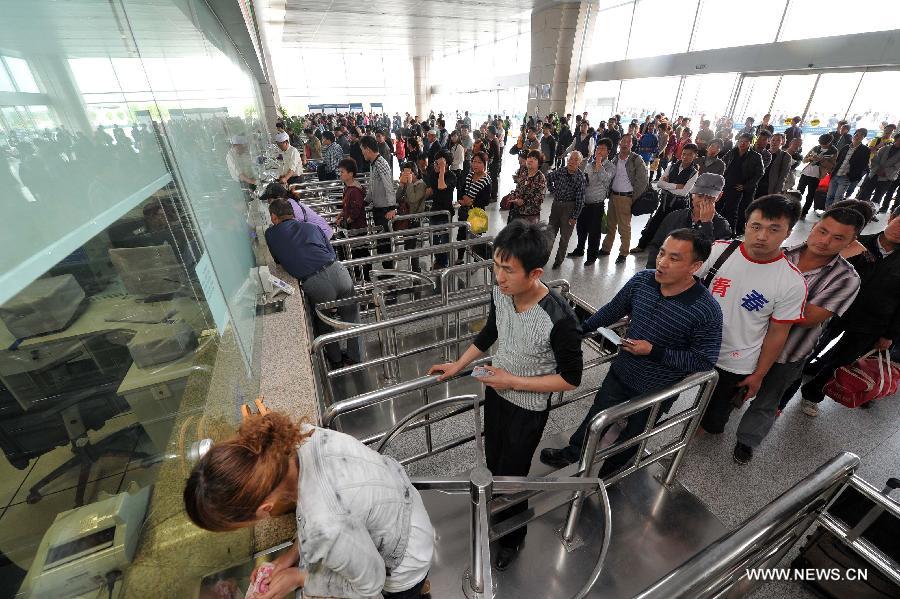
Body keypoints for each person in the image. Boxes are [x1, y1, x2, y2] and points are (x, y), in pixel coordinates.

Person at [427, 220, 583, 571]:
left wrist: (513, 380)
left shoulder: (559, 319)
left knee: (514, 474)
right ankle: (493, 500)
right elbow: (491, 331)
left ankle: (512, 535)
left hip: (527, 409)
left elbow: (571, 379)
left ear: (535, 272)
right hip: (496, 394)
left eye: (508, 270)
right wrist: (458, 365)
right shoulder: (501, 292)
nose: (499, 276)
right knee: (494, 459)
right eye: (496, 265)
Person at [183, 412, 432, 599]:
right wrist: (289, 556)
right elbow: (321, 509)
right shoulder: (296, 441)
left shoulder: (325, 525)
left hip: (405, 564)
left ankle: (418, 589)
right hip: (403, 506)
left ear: (265, 509)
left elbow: (370, 586)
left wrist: (299, 578)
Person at [540, 228, 722, 472]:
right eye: (662, 254)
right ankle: (573, 454)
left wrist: (654, 351)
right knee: (596, 418)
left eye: (674, 258)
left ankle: (611, 473)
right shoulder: (643, 281)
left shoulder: (706, 310)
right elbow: (612, 310)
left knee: (634, 435)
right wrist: (578, 332)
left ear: (695, 266)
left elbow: (703, 361)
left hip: (657, 390)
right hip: (621, 372)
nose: (662, 262)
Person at [732, 205, 862, 463]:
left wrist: (758, 302)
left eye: (838, 238)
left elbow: (809, 318)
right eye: (823, 231)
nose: (825, 241)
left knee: (768, 399)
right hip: (745, 341)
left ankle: (747, 441)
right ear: (814, 226)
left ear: (851, 243)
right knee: (732, 386)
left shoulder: (846, 278)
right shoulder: (779, 252)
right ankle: (718, 417)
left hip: (790, 351)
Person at [697, 195, 807, 435]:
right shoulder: (719, 251)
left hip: (736, 360)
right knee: (669, 396)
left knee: (714, 416)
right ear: (746, 224)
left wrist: (759, 374)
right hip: (694, 345)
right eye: (756, 226)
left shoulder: (791, 282)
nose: (762, 236)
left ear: (788, 233)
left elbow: (778, 333)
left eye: (774, 229)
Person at [799, 205, 900, 416]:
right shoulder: (857, 243)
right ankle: (788, 381)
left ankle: (813, 394)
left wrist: (889, 335)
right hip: (835, 310)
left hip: (873, 322)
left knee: (843, 360)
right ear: (891, 217)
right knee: (811, 346)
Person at [264, 199, 362, 367]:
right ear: (293, 213)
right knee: (352, 315)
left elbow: (278, 261)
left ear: (273, 217)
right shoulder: (312, 227)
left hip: (315, 282)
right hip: (338, 271)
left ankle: (336, 360)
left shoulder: (271, 234)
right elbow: (331, 252)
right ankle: (355, 356)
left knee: (324, 322)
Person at [645, 173, 731, 269]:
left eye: (709, 198)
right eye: (700, 196)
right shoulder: (674, 217)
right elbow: (656, 246)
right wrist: (651, 272)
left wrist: (707, 224)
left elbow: (711, 259)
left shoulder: (722, 226)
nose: (703, 201)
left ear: (719, 196)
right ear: (692, 194)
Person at [632, 143, 699, 254]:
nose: (685, 157)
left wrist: (668, 185)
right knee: (654, 223)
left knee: (675, 229)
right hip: (665, 201)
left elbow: (684, 192)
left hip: (679, 205)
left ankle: (668, 251)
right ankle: (642, 245)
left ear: (695, 156)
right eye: (684, 154)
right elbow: (659, 184)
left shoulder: (694, 173)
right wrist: (676, 186)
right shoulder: (671, 166)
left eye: (689, 155)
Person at [601, 134, 649, 264]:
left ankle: (623, 252)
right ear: (620, 143)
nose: (625, 144)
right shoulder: (615, 159)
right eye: (623, 141)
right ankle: (606, 248)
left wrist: (633, 198)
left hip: (626, 198)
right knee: (610, 225)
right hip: (613, 196)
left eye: (629, 142)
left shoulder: (636, 159)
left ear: (632, 145)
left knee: (624, 228)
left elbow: (643, 180)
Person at [569, 139, 615, 264]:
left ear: (608, 152)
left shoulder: (610, 166)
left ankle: (592, 257)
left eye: (602, 149)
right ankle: (579, 250)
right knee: (581, 228)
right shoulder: (589, 164)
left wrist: (599, 164)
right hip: (584, 203)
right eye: (597, 148)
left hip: (597, 205)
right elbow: (584, 180)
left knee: (594, 233)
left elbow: (605, 179)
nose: (599, 151)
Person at [360, 134, 396, 269]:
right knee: (381, 243)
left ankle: (389, 273)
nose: (362, 152)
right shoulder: (373, 164)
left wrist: (392, 207)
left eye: (362, 149)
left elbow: (389, 185)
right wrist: (365, 201)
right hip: (377, 209)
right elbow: (372, 187)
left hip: (385, 211)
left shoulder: (381, 163)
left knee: (385, 244)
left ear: (367, 149)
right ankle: (386, 272)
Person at [545, 150, 587, 268]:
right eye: (570, 159)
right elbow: (548, 177)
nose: (571, 161)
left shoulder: (580, 178)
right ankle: (544, 258)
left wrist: (574, 216)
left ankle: (558, 261)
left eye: (575, 160)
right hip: (556, 205)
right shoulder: (561, 171)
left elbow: (580, 200)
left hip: (569, 208)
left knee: (564, 238)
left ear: (579, 163)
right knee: (550, 233)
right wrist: (552, 190)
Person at [720, 132, 765, 235]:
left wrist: (746, 186)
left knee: (734, 211)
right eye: (741, 141)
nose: (742, 144)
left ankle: (732, 233)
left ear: (750, 143)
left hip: (739, 187)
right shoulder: (732, 152)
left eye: (745, 142)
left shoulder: (755, 156)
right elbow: (722, 164)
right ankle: (720, 228)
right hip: (726, 184)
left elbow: (759, 174)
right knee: (720, 207)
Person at [260, 182, 333, 241]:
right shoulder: (287, 202)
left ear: (278, 198)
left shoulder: (289, 208)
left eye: (269, 200)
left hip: (322, 234)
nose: (268, 202)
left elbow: (289, 231)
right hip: (317, 231)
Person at [423, 150, 457, 268]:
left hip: (446, 213)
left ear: (446, 164)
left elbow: (441, 186)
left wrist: (442, 169)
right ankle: (440, 261)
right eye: (435, 163)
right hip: (435, 211)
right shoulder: (433, 173)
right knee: (434, 240)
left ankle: (443, 263)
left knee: (445, 240)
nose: (435, 166)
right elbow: (431, 189)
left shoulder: (452, 176)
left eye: (438, 163)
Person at [457, 151, 492, 261]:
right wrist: (463, 200)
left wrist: (471, 202)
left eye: (479, 162)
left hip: (478, 214)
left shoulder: (487, 181)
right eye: (474, 162)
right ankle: (460, 258)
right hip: (464, 212)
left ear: (485, 164)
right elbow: (461, 190)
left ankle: (477, 261)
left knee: (475, 240)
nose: (475, 165)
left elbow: (485, 201)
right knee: (461, 237)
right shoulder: (469, 176)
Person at [824, 128, 870, 207]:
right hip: (836, 174)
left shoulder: (865, 150)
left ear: (864, 137)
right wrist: (832, 171)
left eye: (860, 135)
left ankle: (834, 215)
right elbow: (838, 160)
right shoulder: (846, 147)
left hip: (846, 177)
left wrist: (852, 176)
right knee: (829, 196)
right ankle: (826, 213)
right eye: (856, 134)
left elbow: (863, 166)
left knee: (838, 198)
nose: (857, 136)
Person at [395, 161, 428, 271]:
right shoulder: (405, 184)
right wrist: (401, 185)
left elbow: (413, 200)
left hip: (415, 220)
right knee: (409, 247)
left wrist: (408, 184)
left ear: (414, 173)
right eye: (403, 173)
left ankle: (416, 270)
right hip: (406, 218)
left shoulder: (421, 185)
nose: (405, 175)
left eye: (407, 173)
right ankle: (413, 270)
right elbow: (397, 198)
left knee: (413, 248)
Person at [797, 134, 837, 219]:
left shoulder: (833, 151)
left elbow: (831, 166)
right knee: (798, 193)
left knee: (810, 195)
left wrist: (821, 160)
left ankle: (803, 213)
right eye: (820, 142)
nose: (821, 145)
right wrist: (811, 158)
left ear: (829, 142)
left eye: (824, 143)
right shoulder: (816, 148)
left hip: (817, 176)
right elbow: (804, 160)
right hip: (806, 173)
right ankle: (794, 210)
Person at [858, 132, 900, 213]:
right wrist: (877, 169)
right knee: (865, 193)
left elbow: (897, 167)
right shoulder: (885, 148)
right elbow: (875, 159)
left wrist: (885, 171)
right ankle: (860, 210)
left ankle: (871, 214)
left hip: (887, 178)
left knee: (878, 196)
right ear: (896, 139)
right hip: (875, 174)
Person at [507, 149, 547, 224]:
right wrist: (513, 196)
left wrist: (523, 202)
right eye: (529, 157)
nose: (530, 160)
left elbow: (539, 199)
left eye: (534, 159)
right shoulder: (524, 173)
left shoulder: (540, 178)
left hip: (530, 216)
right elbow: (518, 189)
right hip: (517, 212)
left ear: (539, 163)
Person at [756, 133, 791, 197]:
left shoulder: (785, 156)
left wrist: (777, 191)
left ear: (782, 142)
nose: (774, 142)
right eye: (773, 140)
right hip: (757, 184)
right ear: (769, 141)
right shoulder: (763, 153)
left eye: (778, 140)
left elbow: (783, 176)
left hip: (770, 187)